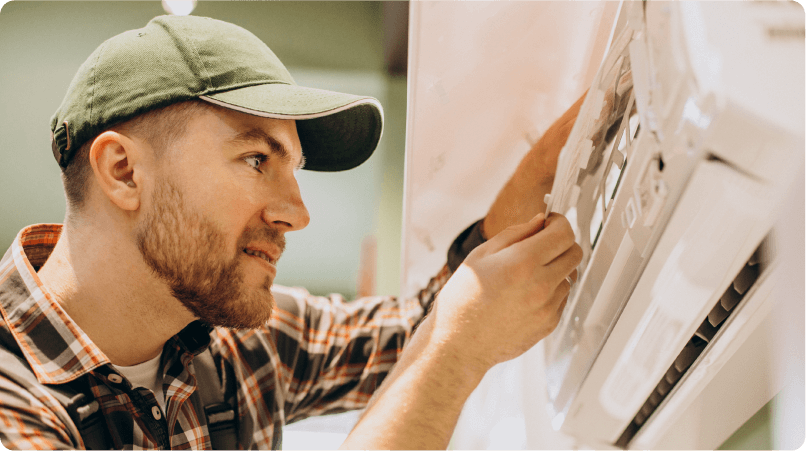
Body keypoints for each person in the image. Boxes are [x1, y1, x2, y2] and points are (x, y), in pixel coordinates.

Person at [0, 14, 582, 450]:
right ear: (124, 172)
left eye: (292, 170)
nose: (297, 214)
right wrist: (456, 358)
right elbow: (445, 340)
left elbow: (419, 327)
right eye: (257, 159)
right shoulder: (15, 405)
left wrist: (535, 181)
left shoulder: (236, 338)